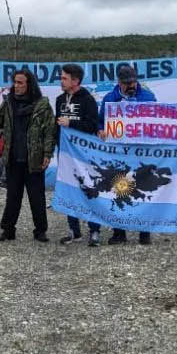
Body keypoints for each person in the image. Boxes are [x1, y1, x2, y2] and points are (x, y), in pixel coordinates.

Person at [0, 69, 56, 242]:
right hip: (13, 159)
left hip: (34, 159)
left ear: (29, 84)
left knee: (37, 198)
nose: (16, 86)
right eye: (15, 82)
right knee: (12, 197)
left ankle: (40, 231)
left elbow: (50, 131)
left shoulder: (42, 104)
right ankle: (7, 230)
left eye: (20, 82)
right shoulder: (8, 103)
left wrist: (47, 154)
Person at [99, 63, 159, 244]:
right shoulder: (110, 98)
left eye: (132, 82)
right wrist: (100, 130)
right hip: (119, 153)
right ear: (119, 82)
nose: (130, 85)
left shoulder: (148, 97)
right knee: (119, 190)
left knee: (145, 190)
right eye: (126, 83)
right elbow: (100, 121)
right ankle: (119, 233)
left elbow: (158, 121)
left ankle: (144, 232)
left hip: (142, 153)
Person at [54, 63, 105, 246]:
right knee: (68, 190)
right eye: (61, 78)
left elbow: (92, 126)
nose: (61, 81)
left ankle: (94, 230)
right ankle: (74, 231)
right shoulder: (60, 100)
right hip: (65, 154)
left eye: (64, 78)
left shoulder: (88, 100)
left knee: (90, 190)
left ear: (75, 81)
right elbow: (56, 125)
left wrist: (71, 124)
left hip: (84, 155)